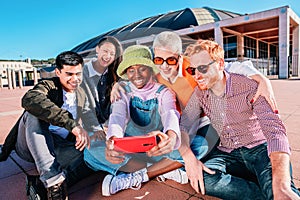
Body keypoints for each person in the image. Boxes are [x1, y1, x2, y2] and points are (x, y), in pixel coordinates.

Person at [111, 31, 279, 190]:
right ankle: (173, 167)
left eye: (170, 60)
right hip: (180, 122)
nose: (164, 66)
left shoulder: (193, 67)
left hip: (205, 120)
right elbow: (136, 78)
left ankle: (150, 173)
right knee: (172, 143)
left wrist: (262, 79)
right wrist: (119, 84)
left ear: (179, 56)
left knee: (201, 147)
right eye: (158, 60)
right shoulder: (156, 72)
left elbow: (227, 66)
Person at [181, 39, 300, 200]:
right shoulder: (199, 94)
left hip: (260, 150)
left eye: (202, 68)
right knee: (203, 178)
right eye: (192, 70)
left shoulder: (249, 86)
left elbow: (275, 132)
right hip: (227, 153)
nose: (196, 76)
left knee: (280, 190)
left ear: (220, 64)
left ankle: (276, 189)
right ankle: (266, 192)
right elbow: (183, 127)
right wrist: (188, 158)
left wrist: (281, 186)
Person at [83, 44, 187, 196]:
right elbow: (117, 117)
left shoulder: (164, 92)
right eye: (131, 70)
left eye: (142, 68)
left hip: (157, 149)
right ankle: (161, 170)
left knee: (197, 145)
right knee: (89, 151)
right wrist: (113, 142)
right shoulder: (122, 92)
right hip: (129, 150)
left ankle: (136, 175)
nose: (136, 75)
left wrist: (170, 137)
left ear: (150, 69)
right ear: (126, 73)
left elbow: (170, 113)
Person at [0, 51, 100, 200]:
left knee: (95, 157)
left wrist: (97, 130)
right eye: (69, 74)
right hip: (30, 145)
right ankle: (54, 181)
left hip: (59, 147)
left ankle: (40, 185)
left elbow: (87, 113)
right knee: (33, 112)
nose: (75, 79)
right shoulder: (48, 85)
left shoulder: (81, 92)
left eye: (78, 74)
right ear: (58, 72)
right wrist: (71, 124)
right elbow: (30, 99)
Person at [81, 36, 123, 139]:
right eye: (105, 51)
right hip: (90, 127)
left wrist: (119, 84)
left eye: (112, 54)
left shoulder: (116, 73)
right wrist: (97, 128)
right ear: (97, 49)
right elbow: (84, 106)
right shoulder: (83, 73)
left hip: (112, 126)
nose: (107, 56)